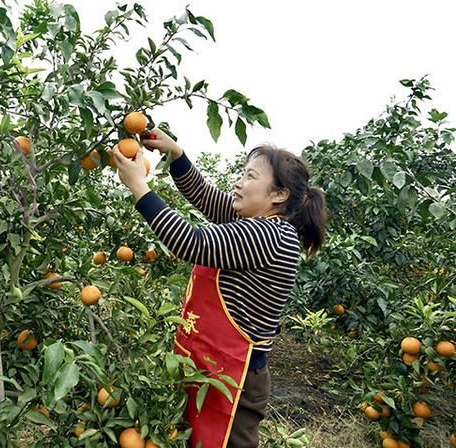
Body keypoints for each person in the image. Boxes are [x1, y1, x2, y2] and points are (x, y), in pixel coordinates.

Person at [112, 128, 327, 448]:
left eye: (250, 177)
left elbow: (190, 241)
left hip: (234, 380)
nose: (239, 183)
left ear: (278, 195)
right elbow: (204, 195)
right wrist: (176, 154)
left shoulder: (271, 235)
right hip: (209, 367)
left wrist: (139, 187)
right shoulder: (255, 222)